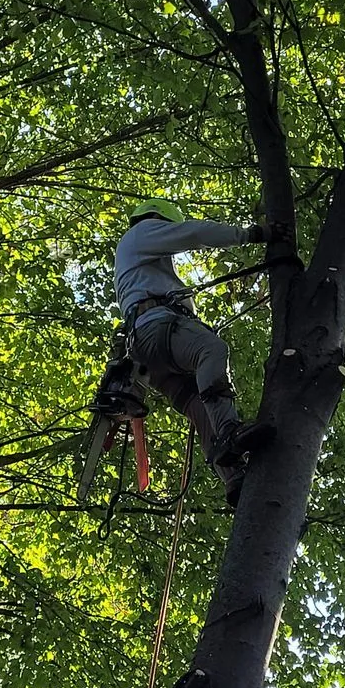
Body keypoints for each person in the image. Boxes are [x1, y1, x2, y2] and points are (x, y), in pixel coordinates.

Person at [115, 198, 287, 509]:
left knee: (197, 406)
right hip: (157, 329)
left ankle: (234, 476)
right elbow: (193, 234)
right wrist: (252, 234)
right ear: (158, 220)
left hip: (148, 354)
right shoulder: (142, 234)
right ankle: (230, 432)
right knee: (211, 348)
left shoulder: (142, 265)